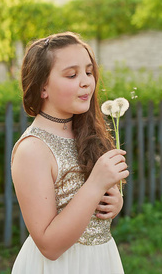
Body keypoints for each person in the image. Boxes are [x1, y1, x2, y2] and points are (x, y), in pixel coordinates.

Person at [11, 32, 129, 274]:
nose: (86, 81)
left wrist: (113, 202)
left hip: (100, 260)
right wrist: (96, 184)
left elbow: (88, 208)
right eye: (72, 75)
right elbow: (49, 246)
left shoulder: (85, 131)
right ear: (42, 87)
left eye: (88, 71)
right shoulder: (33, 149)